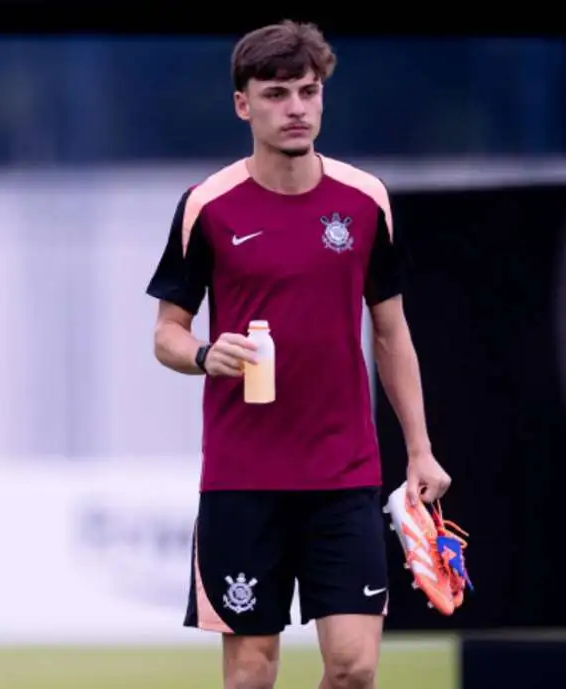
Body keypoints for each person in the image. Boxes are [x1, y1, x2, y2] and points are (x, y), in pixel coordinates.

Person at [146, 21, 451, 689]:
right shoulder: (206, 206)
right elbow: (167, 332)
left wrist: (420, 450)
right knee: (251, 676)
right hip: (241, 479)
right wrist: (205, 354)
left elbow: (392, 332)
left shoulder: (365, 200)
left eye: (308, 92)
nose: (296, 108)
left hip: (344, 474)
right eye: (276, 93)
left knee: (355, 669)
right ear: (243, 104)